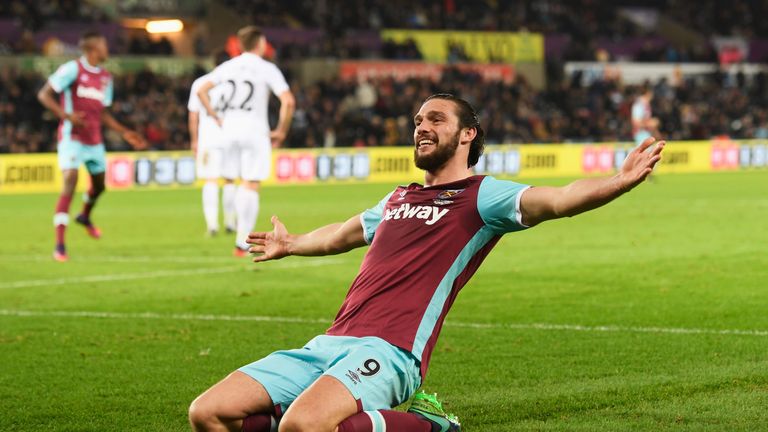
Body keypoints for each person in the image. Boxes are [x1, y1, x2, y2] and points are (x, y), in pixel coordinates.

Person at [188, 94, 665, 432]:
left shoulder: (483, 196)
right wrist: (291, 244)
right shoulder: (398, 197)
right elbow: (341, 234)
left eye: (435, 119)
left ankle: (427, 422)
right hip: (330, 343)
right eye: (418, 119)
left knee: (305, 425)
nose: (421, 126)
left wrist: (616, 182)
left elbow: (559, 198)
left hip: (393, 352)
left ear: (467, 134)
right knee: (209, 413)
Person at [37, 30, 146, 262]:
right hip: (72, 138)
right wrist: (66, 116)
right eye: (104, 45)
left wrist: (125, 132)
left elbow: (103, 113)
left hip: (94, 140)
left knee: (99, 187)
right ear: (93, 49)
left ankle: (85, 216)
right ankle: (59, 245)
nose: (107, 50)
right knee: (70, 179)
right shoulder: (72, 69)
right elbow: (44, 95)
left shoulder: (106, 77)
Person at [196, 26, 295, 256]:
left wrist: (215, 117)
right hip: (254, 130)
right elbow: (288, 101)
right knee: (251, 183)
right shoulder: (266, 68)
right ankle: (242, 243)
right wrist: (281, 130)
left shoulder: (227, 66)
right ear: (260, 43)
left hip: (228, 131)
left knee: (235, 181)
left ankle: (234, 232)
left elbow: (202, 89)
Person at [188, 51, 237, 236]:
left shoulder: (200, 83)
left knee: (210, 180)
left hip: (208, 138)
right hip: (231, 138)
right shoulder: (234, 85)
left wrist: (194, 140)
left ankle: (212, 225)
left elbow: (193, 115)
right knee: (230, 179)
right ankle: (231, 222)